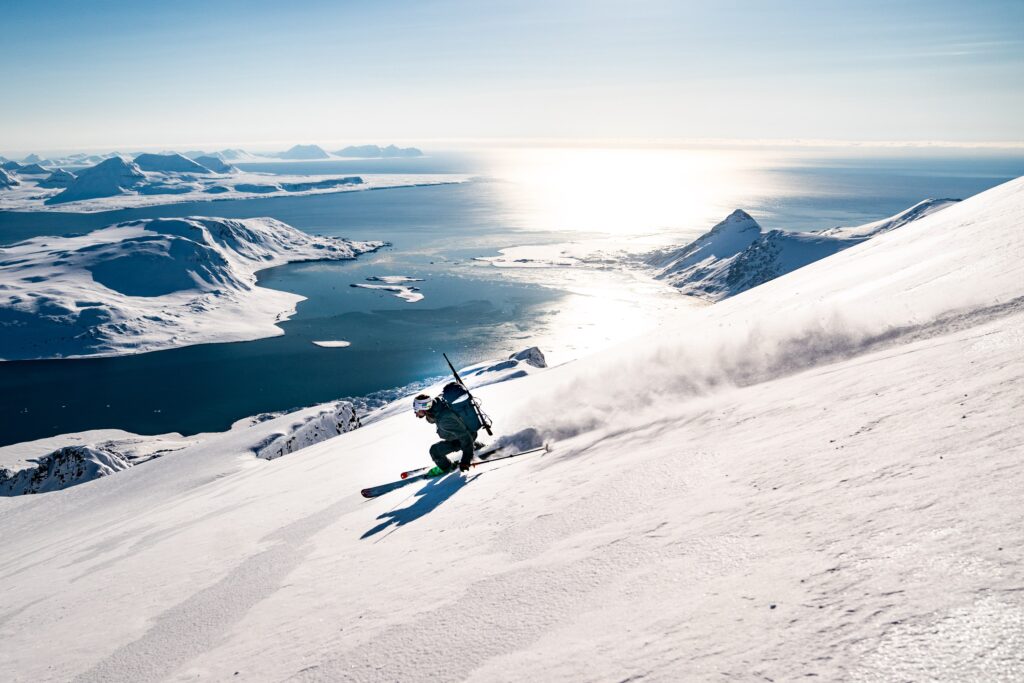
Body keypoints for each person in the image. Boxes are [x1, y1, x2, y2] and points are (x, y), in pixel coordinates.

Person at [413, 393, 478, 473]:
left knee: (435, 451)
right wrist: (426, 414)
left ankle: (449, 469)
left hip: (466, 437)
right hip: (467, 433)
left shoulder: (443, 418)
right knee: (460, 438)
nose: (416, 414)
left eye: (416, 410)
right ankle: (475, 446)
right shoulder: (438, 404)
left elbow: (465, 437)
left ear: (423, 408)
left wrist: (466, 461)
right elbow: (433, 417)